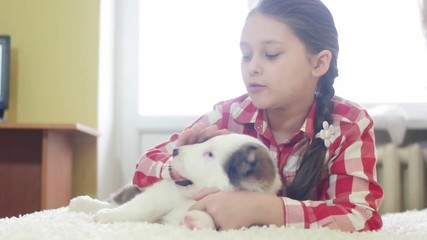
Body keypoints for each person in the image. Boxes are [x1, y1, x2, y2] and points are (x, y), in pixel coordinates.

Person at [132, 0, 383, 232]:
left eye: (271, 54)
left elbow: (361, 216)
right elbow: (143, 169)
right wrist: (179, 167)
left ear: (318, 64)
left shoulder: (349, 124)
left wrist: (263, 208)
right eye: (246, 55)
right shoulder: (228, 115)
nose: (252, 67)